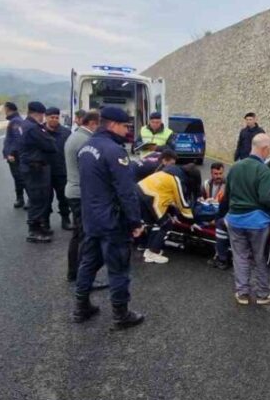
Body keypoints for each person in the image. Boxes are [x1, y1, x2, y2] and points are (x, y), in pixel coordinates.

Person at [73, 106, 145, 328]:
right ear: (113, 124)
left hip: (91, 218)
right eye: (125, 126)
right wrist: (135, 221)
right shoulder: (114, 151)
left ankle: (81, 307)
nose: (127, 131)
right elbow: (126, 191)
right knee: (118, 268)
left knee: (88, 263)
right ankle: (120, 314)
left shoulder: (86, 148)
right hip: (112, 220)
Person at [224, 133, 270, 305]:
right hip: (258, 222)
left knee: (240, 256)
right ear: (265, 148)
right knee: (260, 257)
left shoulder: (235, 167)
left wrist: (223, 215)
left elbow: (228, 195)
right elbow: (265, 199)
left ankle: (242, 293)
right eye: (269, 148)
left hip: (235, 220)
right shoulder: (263, 170)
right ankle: (262, 294)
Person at [137, 163, 201, 264]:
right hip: (151, 197)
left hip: (139, 190)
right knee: (166, 224)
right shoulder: (178, 179)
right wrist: (191, 221)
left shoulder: (170, 170)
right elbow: (183, 204)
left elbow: (167, 196)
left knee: (154, 222)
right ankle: (153, 252)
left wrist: (174, 213)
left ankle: (147, 248)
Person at [65, 109, 100, 281]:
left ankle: (74, 273)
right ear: (93, 123)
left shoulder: (75, 136)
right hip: (80, 193)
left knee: (78, 235)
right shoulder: (85, 140)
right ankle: (81, 276)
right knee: (84, 237)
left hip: (73, 190)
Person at [19, 101, 57, 243]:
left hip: (31, 167)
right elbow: (50, 145)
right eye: (43, 115)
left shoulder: (25, 125)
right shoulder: (33, 128)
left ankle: (38, 227)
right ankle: (34, 231)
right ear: (39, 114)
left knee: (38, 198)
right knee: (38, 199)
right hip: (34, 167)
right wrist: (50, 139)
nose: (43, 118)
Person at [45, 107, 73, 231]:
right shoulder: (39, 131)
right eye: (52, 117)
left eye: (56, 117)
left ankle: (65, 219)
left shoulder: (66, 133)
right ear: (46, 117)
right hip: (44, 172)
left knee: (63, 198)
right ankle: (45, 222)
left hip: (61, 171)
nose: (54, 120)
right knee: (46, 199)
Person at [203, 162, 232, 270]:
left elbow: (226, 206)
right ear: (211, 173)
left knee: (220, 223)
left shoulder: (228, 185)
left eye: (220, 173)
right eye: (215, 174)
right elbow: (200, 198)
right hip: (208, 211)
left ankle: (221, 256)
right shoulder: (206, 184)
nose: (218, 176)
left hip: (222, 214)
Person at [2, 102, 25, 208]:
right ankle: (20, 198)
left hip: (15, 156)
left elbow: (17, 138)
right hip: (14, 155)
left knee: (19, 177)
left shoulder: (16, 121)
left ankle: (22, 199)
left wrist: (11, 153)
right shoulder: (14, 120)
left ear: (8, 109)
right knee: (18, 177)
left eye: (4, 109)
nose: (4, 111)